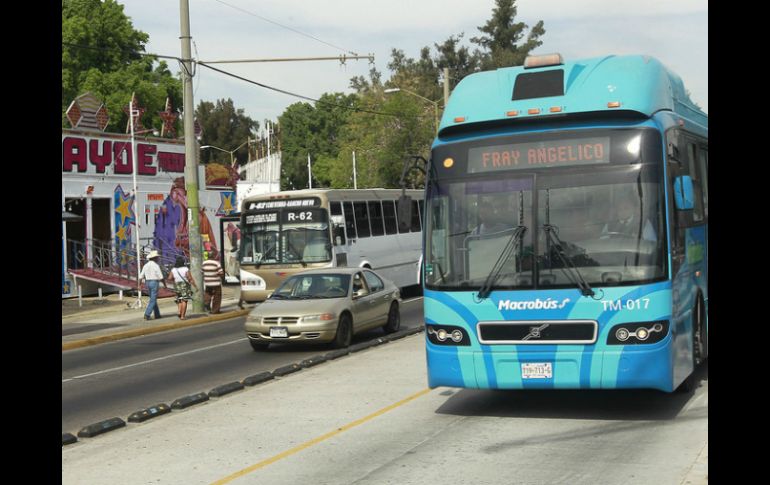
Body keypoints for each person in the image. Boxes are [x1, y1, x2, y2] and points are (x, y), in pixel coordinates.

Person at [139, 250, 164, 321]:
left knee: (153, 298)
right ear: (154, 258)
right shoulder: (156, 265)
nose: (158, 259)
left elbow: (141, 276)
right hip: (154, 282)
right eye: (157, 257)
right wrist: (164, 284)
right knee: (153, 299)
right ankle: (147, 314)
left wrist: (139, 285)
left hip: (147, 282)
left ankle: (157, 314)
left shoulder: (145, 265)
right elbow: (161, 277)